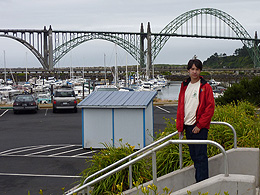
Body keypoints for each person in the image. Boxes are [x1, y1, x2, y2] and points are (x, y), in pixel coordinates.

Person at [176, 58, 215, 183]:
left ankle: (202, 184)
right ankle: (199, 182)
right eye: (192, 69)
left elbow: (209, 108)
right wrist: (180, 128)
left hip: (199, 127)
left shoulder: (205, 87)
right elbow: (181, 107)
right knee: (194, 156)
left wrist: (200, 125)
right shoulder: (184, 86)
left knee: (201, 157)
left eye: (197, 69)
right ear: (188, 71)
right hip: (187, 127)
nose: (195, 72)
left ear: (200, 71)